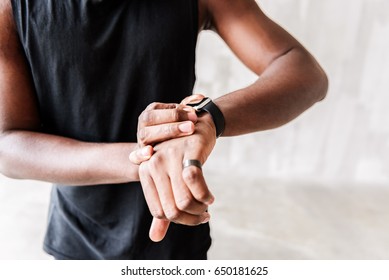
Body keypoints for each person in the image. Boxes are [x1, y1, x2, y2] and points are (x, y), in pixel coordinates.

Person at [0, 0, 328, 259]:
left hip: (177, 230)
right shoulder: (10, 8)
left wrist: (208, 118)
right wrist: (147, 159)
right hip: (79, 233)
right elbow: (8, 144)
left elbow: (302, 71)